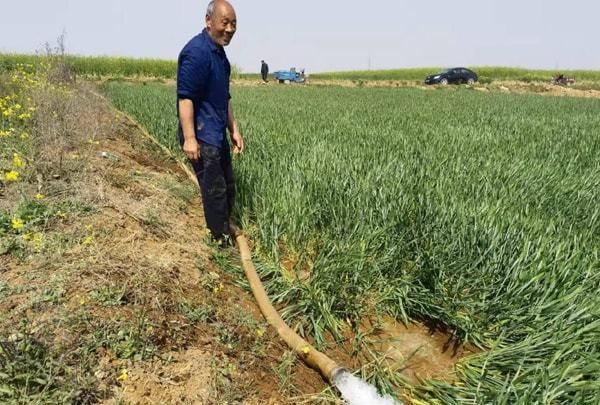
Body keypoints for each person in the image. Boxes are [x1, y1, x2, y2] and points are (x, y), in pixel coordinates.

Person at [177, 0, 244, 246]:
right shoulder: (196, 53)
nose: (229, 29)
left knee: (227, 186)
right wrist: (190, 138)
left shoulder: (220, 56)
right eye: (224, 22)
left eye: (233, 24)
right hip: (201, 137)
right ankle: (220, 242)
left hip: (216, 134)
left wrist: (234, 129)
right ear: (208, 21)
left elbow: (224, 97)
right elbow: (186, 98)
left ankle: (224, 228)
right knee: (214, 191)